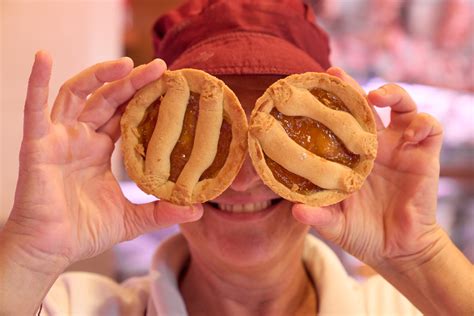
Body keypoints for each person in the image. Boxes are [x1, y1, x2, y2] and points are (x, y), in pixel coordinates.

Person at [0, 0, 472, 315]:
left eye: (280, 140)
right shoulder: (64, 304)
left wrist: (420, 257)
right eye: (217, 137)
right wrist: (31, 256)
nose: (244, 178)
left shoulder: (411, 306)